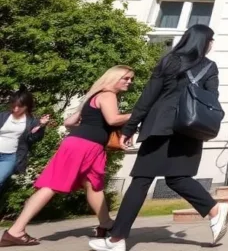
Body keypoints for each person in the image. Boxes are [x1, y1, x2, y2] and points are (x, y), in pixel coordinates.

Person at [90, 25, 228, 251]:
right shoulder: (209, 67)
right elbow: (211, 99)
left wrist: (130, 128)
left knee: (141, 180)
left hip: (161, 126)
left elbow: (148, 97)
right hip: (189, 128)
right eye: (211, 40)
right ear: (205, 42)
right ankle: (214, 210)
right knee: (178, 178)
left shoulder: (169, 61)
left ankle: (116, 240)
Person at [2, 67, 133, 247]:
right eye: (125, 78)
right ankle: (15, 231)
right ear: (113, 78)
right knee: (51, 186)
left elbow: (68, 122)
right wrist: (139, 114)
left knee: (93, 185)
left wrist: (89, 121)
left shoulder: (93, 96)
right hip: (83, 146)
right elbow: (112, 119)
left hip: (86, 146)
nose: (129, 82)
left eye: (130, 79)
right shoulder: (108, 94)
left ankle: (106, 224)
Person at [0, 89, 50, 191]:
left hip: (10, 157)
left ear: (27, 106)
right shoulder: (3, 116)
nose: (16, 109)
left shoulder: (31, 122)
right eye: (14, 105)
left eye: (20, 106)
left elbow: (32, 139)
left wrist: (41, 126)